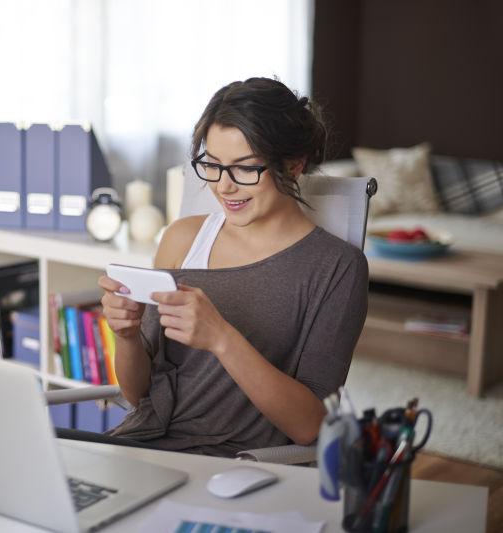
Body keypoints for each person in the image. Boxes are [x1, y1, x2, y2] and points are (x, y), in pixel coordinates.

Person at [98, 77, 369, 457]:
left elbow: (309, 426)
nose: (224, 187)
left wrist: (221, 338)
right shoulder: (181, 239)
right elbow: (138, 395)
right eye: (212, 165)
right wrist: (124, 336)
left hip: (240, 465)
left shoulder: (336, 267)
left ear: (293, 166)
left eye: (244, 168)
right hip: (143, 446)